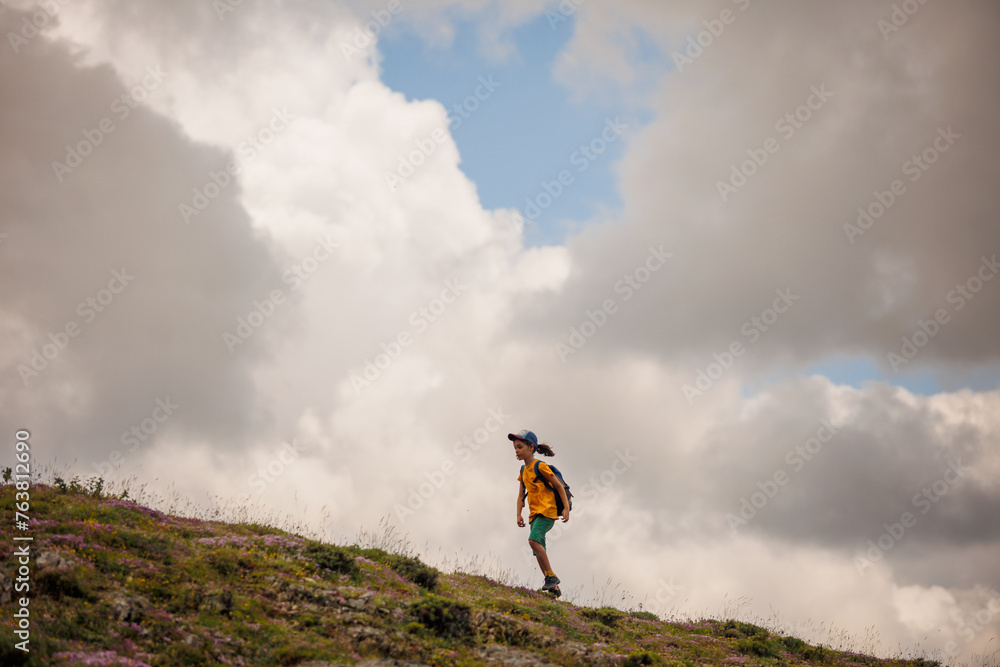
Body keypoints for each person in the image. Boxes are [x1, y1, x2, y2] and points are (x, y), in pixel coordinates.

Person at [510, 429, 570, 596]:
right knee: (537, 549)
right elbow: (521, 495)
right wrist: (518, 514)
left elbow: (558, 486)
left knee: (533, 540)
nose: (516, 450)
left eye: (519, 446)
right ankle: (553, 588)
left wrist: (565, 508)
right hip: (534, 515)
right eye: (515, 447)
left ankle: (551, 577)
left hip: (547, 512)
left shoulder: (540, 466)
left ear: (531, 447)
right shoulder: (523, 471)